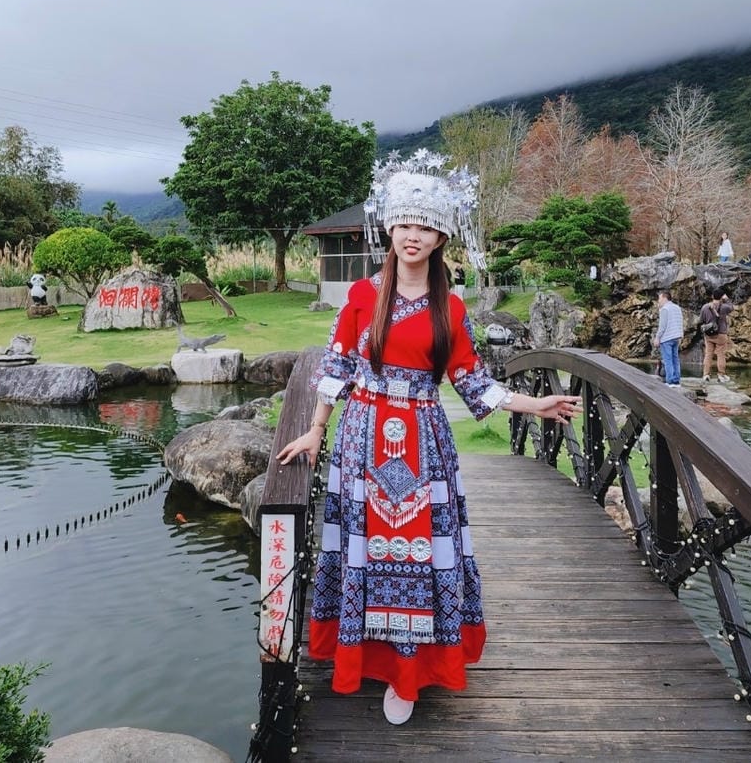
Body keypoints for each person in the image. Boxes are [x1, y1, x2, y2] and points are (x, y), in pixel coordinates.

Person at [277, 149, 582, 727]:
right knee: (364, 549)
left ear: (441, 236)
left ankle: (410, 673)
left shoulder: (452, 306)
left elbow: (474, 383)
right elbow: (336, 368)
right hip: (361, 439)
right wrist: (317, 430)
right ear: (388, 228)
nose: (411, 235)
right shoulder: (362, 298)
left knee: (419, 558)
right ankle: (362, 654)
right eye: (403, 223)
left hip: (424, 447)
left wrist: (534, 404)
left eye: (424, 225)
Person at [700, 289, 734, 383]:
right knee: (721, 355)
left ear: (712, 296)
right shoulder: (724, 307)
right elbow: (732, 307)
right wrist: (726, 299)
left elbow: (701, 320)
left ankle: (706, 375)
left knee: (708, 354)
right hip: (721, 334)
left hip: (708, 335)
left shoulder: (705, 307)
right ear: (721, 297)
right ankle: (721, 375)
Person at [652, 290, 683, 387]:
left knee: (668, 360)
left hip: (667, 338)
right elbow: (680, 321)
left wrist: (657, 338)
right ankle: (676, 380)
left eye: (659, 298)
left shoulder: (665, 309)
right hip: (676, 336)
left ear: (665, 298)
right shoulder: (677, 307)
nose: (658, 300)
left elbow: (662, 326)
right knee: (675, 359)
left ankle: (669, 381)